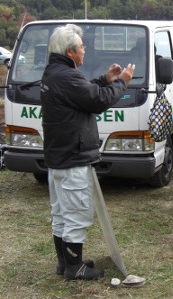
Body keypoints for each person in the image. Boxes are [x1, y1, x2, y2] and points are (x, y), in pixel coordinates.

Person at [41, 24, 135, 280]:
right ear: (71, 51)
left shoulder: (54, 73)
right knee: (76, 214)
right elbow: (98, 100)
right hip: (73, 157)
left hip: (59, 157)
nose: (85, 50)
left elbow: (85, 93)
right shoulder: (66, 76)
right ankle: (75, 267)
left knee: (61, 213)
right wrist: (123, 82)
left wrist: (105, 80)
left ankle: (65, 263)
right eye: (83, 47)